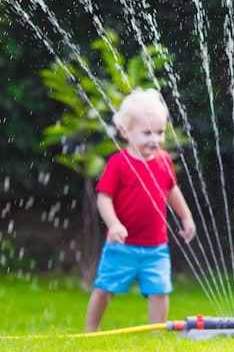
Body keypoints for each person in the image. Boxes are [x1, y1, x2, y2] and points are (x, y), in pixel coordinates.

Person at [84, 88, 196, 332]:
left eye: (159, 132)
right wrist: (114, 224)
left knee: (159, 291)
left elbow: (171, 191)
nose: (154, 139)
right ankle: (90, 331)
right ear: (125, 132)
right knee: (104, 289)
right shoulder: (119, 163)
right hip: (121, 245)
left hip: (156, 246)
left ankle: (155, 333)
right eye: (147, 133)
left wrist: (186, 217)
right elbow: (104, 198)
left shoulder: (163, 160)